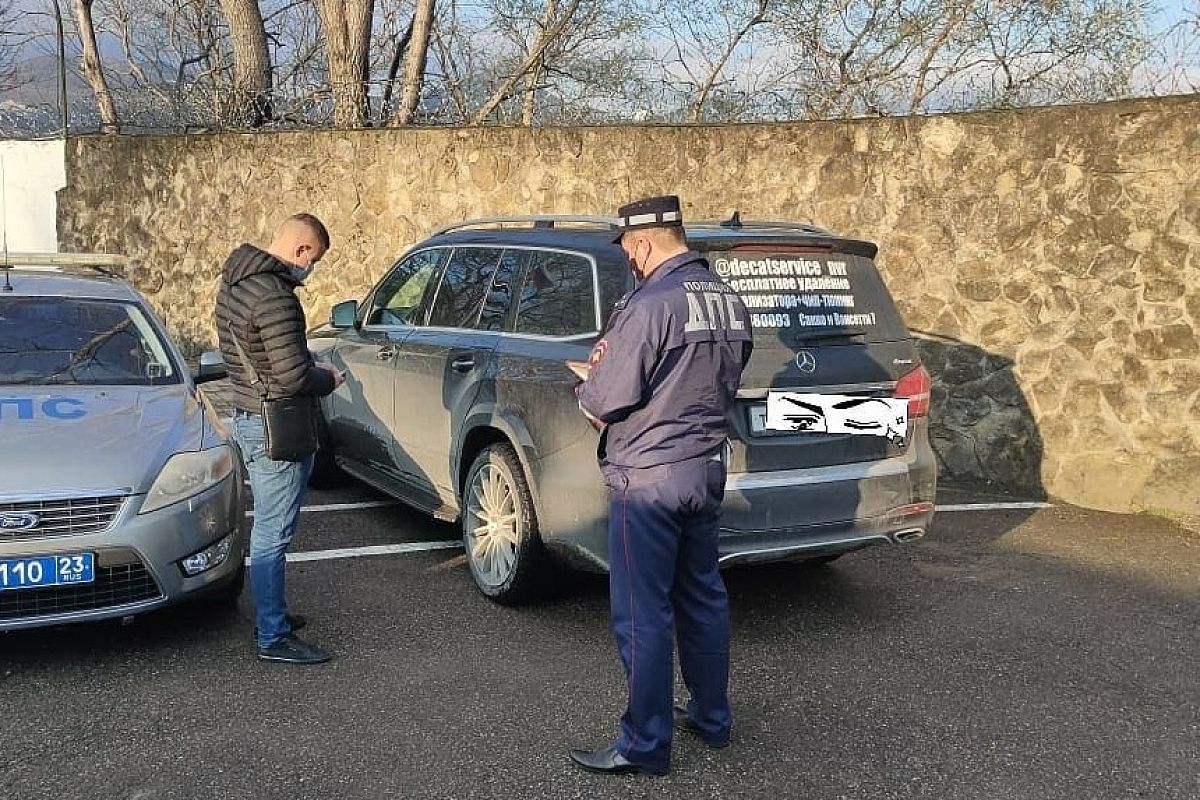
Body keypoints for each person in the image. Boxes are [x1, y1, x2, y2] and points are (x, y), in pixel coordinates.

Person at [568, 196, 753, 775]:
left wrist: (589, 385)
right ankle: (711, 716)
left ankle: (644, 745)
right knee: (702, 596)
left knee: (641, 613)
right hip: (704, 467)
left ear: (643, 244)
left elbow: (605, 399)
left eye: (627, 251)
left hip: (647, 477)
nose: (629, 261)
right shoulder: (728, 299)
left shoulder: (649, 305)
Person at [215, 214, 344, 665]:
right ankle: (272, 634)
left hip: (247, 414)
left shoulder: (235, 280)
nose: (311, 270)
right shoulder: (275, 295)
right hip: (276, 426)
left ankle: (275, 615)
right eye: (315, 260)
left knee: (269, 525)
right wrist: (328, 378)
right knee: (274, 531)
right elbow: (292, 376)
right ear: (302, 251)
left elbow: (251, 356)